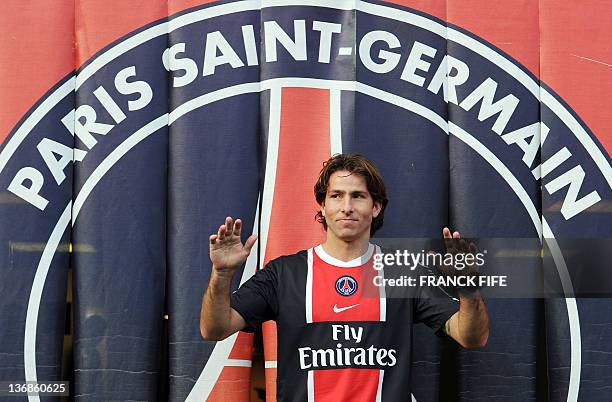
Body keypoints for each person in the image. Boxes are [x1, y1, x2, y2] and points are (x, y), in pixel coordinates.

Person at [200, 153, 489, 401]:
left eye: (358, 196)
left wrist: (469, 290)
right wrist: (222, 274)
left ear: (375, 207)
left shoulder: (404, 274)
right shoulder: (283, 274)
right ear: (322, 207)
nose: (346, 206)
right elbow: (214, 329)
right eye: (336, 195)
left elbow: (471, 337)